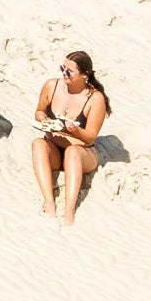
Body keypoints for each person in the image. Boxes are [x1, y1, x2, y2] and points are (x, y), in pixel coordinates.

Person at [29, 49, 111, 225]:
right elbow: (39, 111)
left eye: (69, 71)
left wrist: (74, 130)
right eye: (62, 68)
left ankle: (69, 210)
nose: (64, 73)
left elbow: (90, 138)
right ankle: (49, 202)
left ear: (84, 74)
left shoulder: (95, 98)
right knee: (38, 144)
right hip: (55, 149)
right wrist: (42, 118)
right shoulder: (52, 86)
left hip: (83, 153)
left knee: (73, 152)